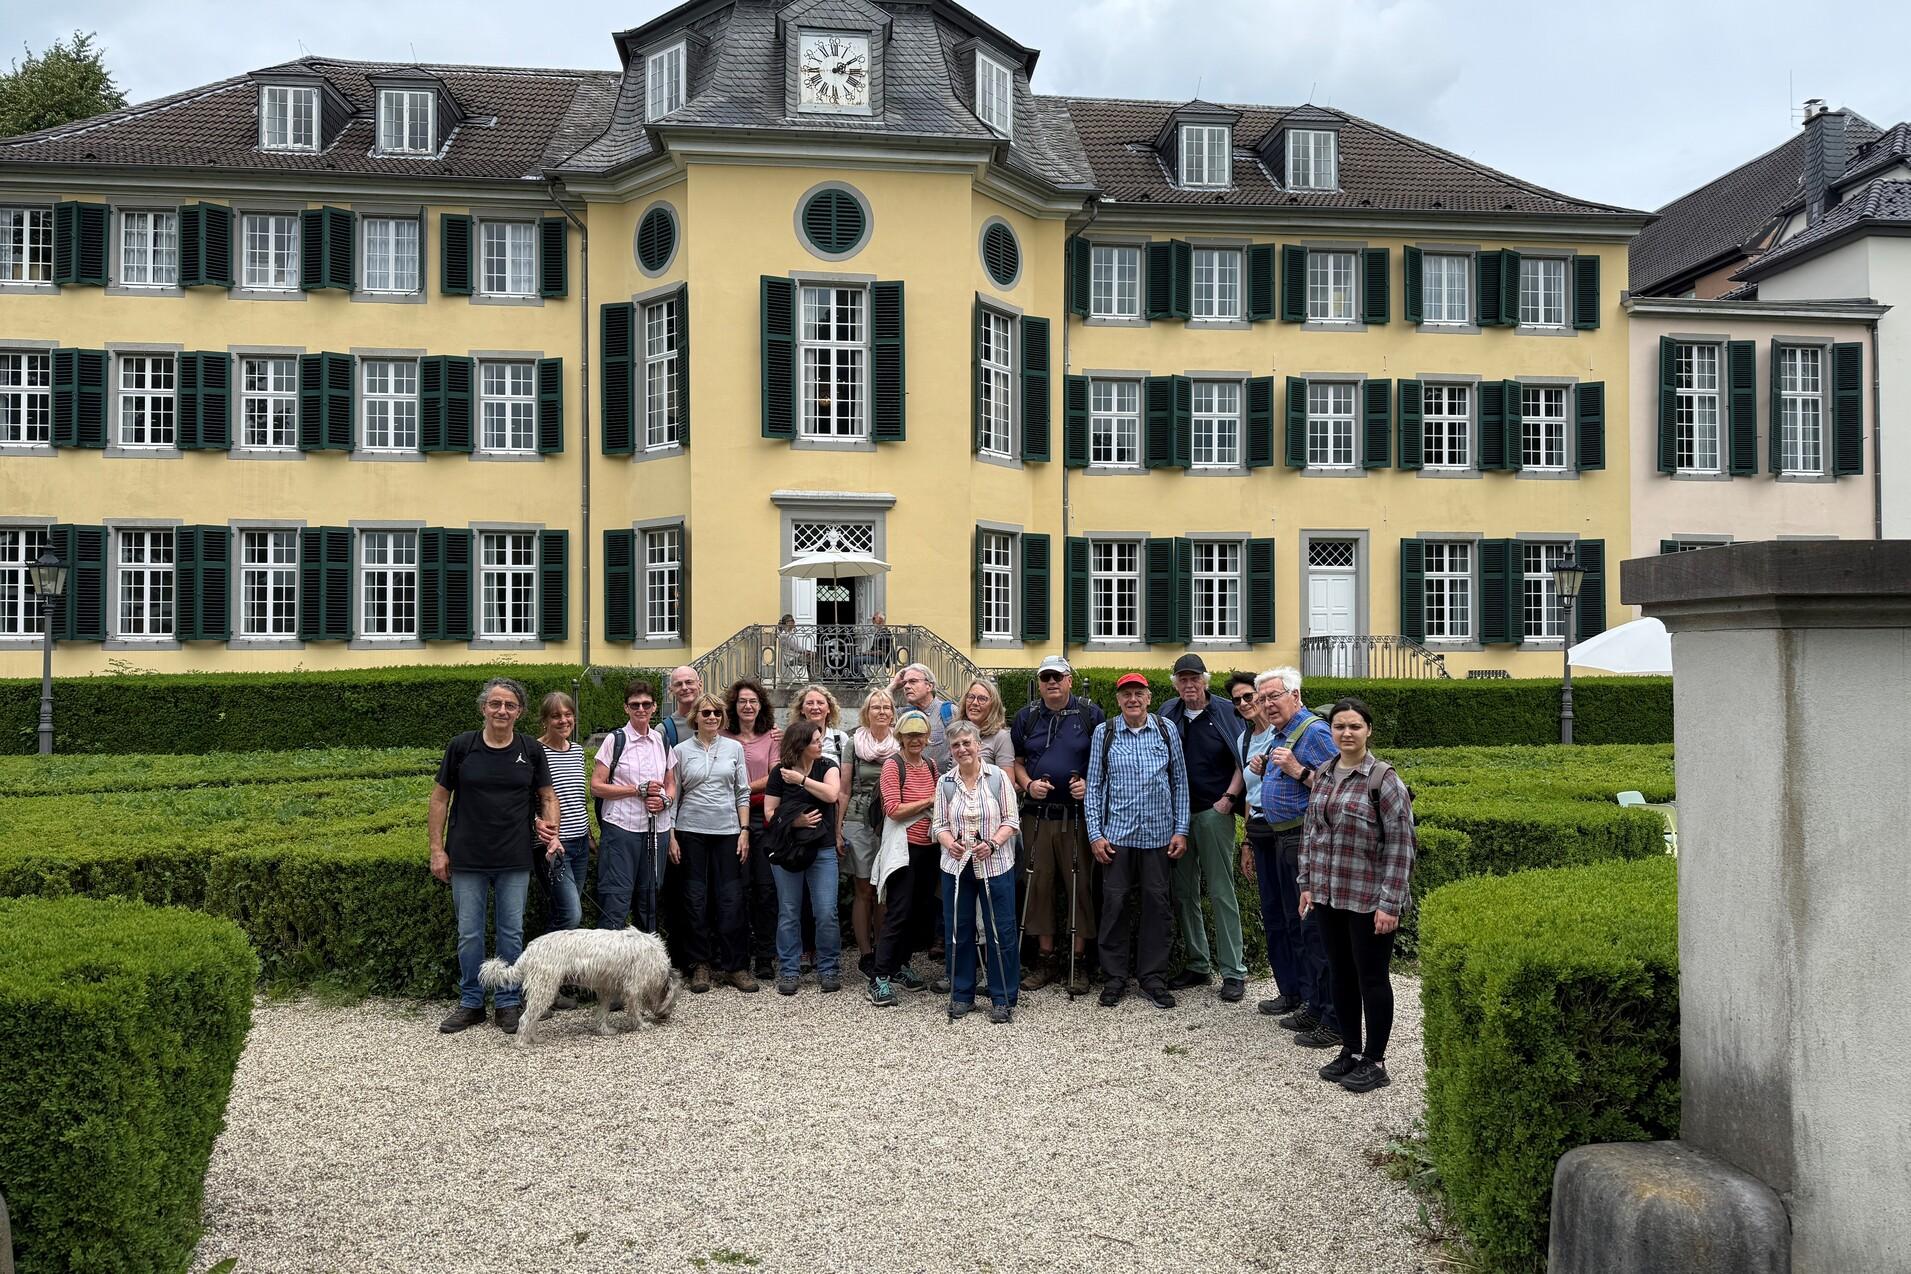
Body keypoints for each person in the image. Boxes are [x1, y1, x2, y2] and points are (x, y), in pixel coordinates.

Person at [429, 677, 560, 1036]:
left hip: (514, 857)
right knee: (469, 934)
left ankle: (507, 1001)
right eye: (495, 704)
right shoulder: (462, 747)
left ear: (520, 712)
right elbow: (439, 799)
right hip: (467, 857)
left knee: (510, 934)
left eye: (510, 705)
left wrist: (552, 831)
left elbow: (548, 797)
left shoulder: (531, 750)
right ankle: (471, 1002)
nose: (502, 710)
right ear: (484, 707)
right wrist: (437, 849)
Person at [1298, 697, 1416, 1094]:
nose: (1346, 733)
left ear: (1368, 731)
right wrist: (1307, 883)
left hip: (1369, 898)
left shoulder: (1383, 780)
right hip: (1331, 894)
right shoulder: (1325, 773)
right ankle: (1349, 1048)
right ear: (1330, 732)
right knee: (1342, 975)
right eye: (1339, 727)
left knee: (1372, 978)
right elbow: (1312, 833)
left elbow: (1401, 845)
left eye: (1354, 727)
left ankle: (1375, 1059)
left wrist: (1390, 903)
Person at [1086, 672, 1189, 1010]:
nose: (1132, 699)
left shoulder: (1165, 729)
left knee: (1158, 907)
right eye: (1126, 694)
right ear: (1118, 700)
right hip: (1117, 836)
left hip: (1159, 835)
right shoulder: (1106, 732)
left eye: (1138, 693)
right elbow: (1095, 786)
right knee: (1114, 906)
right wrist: (1095, 834)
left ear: (1148, 698)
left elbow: (1179, 781)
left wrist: (1181, 829)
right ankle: (1114, 977)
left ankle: (1152, 978)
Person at [1253, 668, 1344, 1050]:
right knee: (1299, 926)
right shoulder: (1283, 733)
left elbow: (1341, 783)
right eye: (1263, 699)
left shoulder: (1316, 731)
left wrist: (1296, 770)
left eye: (1274, 696)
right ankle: (1314, 1003)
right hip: (1284, 838)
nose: (1267, 704)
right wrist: (1269, 769)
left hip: (1306, 838)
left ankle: (1334, 1019)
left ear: (1295, 695)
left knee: (1316, 931)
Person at [1158, 654, 1250, 1003]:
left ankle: (1233, 970)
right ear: (1176, 683)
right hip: (1177, 818)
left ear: (1205, 681)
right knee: (1183, 893)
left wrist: (1228, 798)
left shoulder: (1227, 711)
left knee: (1220, 890)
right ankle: (1198, 963)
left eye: (1194, 678)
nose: (1189, 685)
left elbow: (1244, 757)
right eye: (1182, 679)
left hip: (1214, 812)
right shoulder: (1169, 711)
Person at [1011, 656, 1103, 995]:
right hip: (1038, 816)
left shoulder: (1090, 714)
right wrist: (1027, 783)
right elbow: (1017, 762)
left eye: (1058, 676)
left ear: (1069, 680)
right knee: (1039, 887)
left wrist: (1088, 783)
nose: (1051, 682)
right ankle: (1046, 958)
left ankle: (1079, 963)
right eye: (1045, 677)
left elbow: (1104, 759)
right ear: (1039, 683)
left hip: (1076, 816)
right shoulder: (1027, 716)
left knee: (1080, 886)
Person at [932, 720, 1021, 1023]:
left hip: (995, 864)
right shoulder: (945, 782)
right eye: (956, 745)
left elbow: (1012, 820)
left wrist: (993, 843)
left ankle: (1003, 996)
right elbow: (939, 825)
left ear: (978, 744)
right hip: (956, 867)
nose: (962, 749)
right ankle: (962, 994)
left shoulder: (997, 778)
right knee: (958, 929)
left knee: (1000, 930)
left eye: (966, 743)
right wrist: (949, 843)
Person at [670, 692, 755, 994]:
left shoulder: (734, 748)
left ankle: (735, 965)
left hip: (728, 830)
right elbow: (673, 796)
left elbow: (742, 791)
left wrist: (744, 829)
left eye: (717, 713)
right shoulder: (680, 750)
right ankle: (700, 964)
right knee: (695, 899)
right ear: (695, 716)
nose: (711, 718)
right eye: (705, 712)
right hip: (690, 830)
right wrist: (671, 835)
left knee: (731, 898)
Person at [762, 719, 843, 995]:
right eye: (815, 741)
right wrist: (794, 822)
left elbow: (832, 795)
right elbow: (770, 813)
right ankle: (789, 969)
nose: (821, 744)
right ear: (800, 744)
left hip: (822, 849)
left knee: (826, 911)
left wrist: (802, 781)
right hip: (788, 850)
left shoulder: (827, 766)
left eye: (821, 739)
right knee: (788, 911)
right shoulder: (779, 773)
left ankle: (829, 967)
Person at [590, 679, 677, 934]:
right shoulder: (615, 740)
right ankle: (607, 970)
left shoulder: (661, 741)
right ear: (626, 708)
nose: (641, 709)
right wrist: (636, 790)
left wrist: (665, 800)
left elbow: (671, 783)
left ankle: (644, 969)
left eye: (646, 704)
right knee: (615, 902)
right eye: (635, 704)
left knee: (649, 903)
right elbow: (596, 786)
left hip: (656, 830)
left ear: (654, 707)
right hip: (621, 829)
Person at [866, 709, 940, 1005]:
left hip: (928, 848)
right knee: (897, 913)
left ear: (927, 737)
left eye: (920, 734)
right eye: (909, 735)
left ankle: (900, 966)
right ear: (900, 737)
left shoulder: (932, 765)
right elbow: (893, 809)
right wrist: (929, 801)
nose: (915, 740)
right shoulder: (892, 765)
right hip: (902, 850)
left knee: (918, 912)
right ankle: (879, 977)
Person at [723, 678, 782, 980]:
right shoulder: (722, 734)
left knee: (765, 889)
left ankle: (765, 955)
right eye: (742, 701)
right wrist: (740, 793)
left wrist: (740, 788)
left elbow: (774, 774)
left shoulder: (771, 737)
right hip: (727, 819)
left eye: (753, 701)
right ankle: (737, 955)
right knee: (736, 889)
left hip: (762, 818)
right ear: (734, 706)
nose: (747, 706)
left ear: (761, 706)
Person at [790, 684, 851, 968]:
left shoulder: (841, 740)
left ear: (829, 708)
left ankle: (826, 956)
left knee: (825, 898)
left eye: (820, 703)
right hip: (798, 823)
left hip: (828, 824)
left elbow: (841, 790)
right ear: (802, 708)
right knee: (799, 896)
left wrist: (839, 829)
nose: (815, 707)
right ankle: (804, 949)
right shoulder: (791, 738)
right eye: (809, 703)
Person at [840, 687, 899, 976]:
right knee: (863, 888)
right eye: (876, 707)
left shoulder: (900, 743)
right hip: (859, 818)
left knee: (884, 889)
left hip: (891, 819)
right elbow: (843, 789)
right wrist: (838, 829)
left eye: (886, 707)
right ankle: (865, 953)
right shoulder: (854, 743)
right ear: (867, 712)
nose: (882, 712)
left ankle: (883, 951)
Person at [536, 690, 592, 937]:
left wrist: (588, 833)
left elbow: (577, 796)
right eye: (556, 716)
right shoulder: (535, 752)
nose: (563, 721)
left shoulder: (578, 751)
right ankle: (540, 966)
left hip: (579, 843)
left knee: (565, 912)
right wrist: (536, 823)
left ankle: (556, 972)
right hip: (553, 846)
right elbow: (525, 799)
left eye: (568, 715)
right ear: (545, 721)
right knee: (570, 914)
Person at [892, 663, 957, 770]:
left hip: (941, 783)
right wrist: (893, 686)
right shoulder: (904, 715)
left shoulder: (949, 711)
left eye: (913, 681)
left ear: (929, 686)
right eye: (905, 683)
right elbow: (874, 713)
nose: (907, 686)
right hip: (912, 783)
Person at [957, 679, 1015, 771]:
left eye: (982, 699)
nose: (975, 703)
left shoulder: (1001, 737)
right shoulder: (957, 734)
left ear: (993, 706)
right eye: (971, 697)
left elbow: (1007, 782)